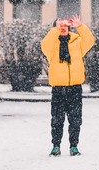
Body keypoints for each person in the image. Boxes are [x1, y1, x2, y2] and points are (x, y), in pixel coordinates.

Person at [39, 14, 94, 157]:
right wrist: (54, 30)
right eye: (60, 25)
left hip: (75, 87)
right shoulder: (52, 45)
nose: (63, 28)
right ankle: (56, 146)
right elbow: (44, 45)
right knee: (57, 119)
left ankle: (74, 146)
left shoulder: (77, 42)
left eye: (65, 26)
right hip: (58, 88)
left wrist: (80, 27)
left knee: (75, 119)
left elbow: (90, 40)